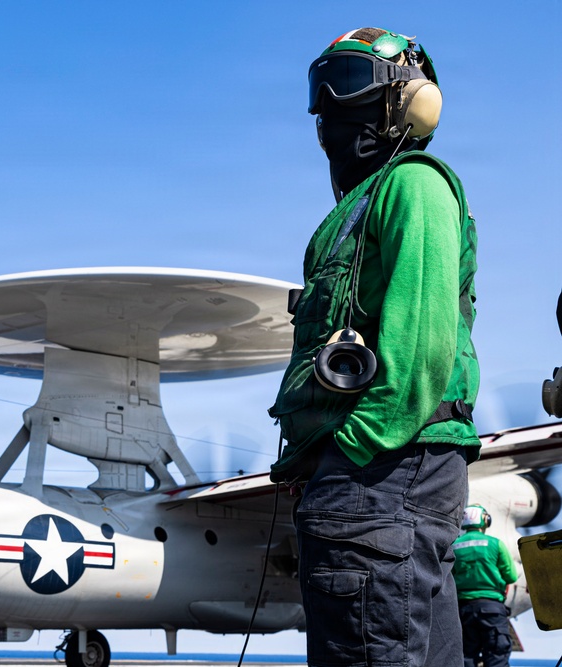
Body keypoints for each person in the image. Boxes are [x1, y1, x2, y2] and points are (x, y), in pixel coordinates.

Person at [268, 28, 481, 666]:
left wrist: (348, 456)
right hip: (385, 483)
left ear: (409, 103)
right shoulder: (348, 215)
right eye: (322, 86)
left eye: (354, 82)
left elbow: (422, 348)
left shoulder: (413, 185)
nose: (332, 103)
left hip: (383, 473)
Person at [452, 505, 518, 667]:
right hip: (492, 610)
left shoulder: (454, 546)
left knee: (466, 656)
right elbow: (511, 576)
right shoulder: (495, 544)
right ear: (485, 520)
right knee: (497, 654)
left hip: (463, 610)